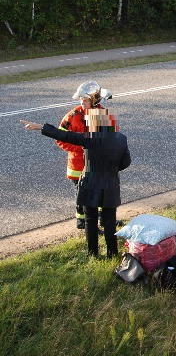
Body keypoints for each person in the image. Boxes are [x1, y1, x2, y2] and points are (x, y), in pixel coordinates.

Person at [20, 108, 131, 258]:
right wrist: (111, 171)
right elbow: (126, 162)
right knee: (110, 221)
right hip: (110, 186)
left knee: (90, 221)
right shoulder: (121, 138)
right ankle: (112, 253)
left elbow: (64, 135)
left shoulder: (89, 137)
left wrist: (40, 127)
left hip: (89, 186)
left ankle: (93, 254)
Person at [56, 81, 112, 229]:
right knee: (84, 196)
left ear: (94, 100)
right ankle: (83, 222)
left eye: (85, 99)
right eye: (81, 99)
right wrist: (82, 147)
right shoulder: (72, 116)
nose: (82, 102)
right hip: (78, 166)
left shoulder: (101, 113)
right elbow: (60, 138)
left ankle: (102, 220)